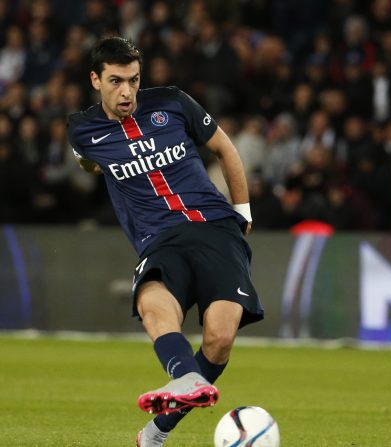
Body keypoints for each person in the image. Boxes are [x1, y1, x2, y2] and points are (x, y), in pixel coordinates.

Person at [66, 37, 263, 447]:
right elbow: (85, 159)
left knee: (220, 338)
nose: (126, 92)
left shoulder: (172, 102)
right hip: (160, 238)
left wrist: (242, 211)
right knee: (153, 300)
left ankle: (157, 430)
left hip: (214, 226)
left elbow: (225, 149)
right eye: (116, 81)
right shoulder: (82, 129)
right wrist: (91, 165)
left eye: (134, 81)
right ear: (95, 80)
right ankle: (184, 376)